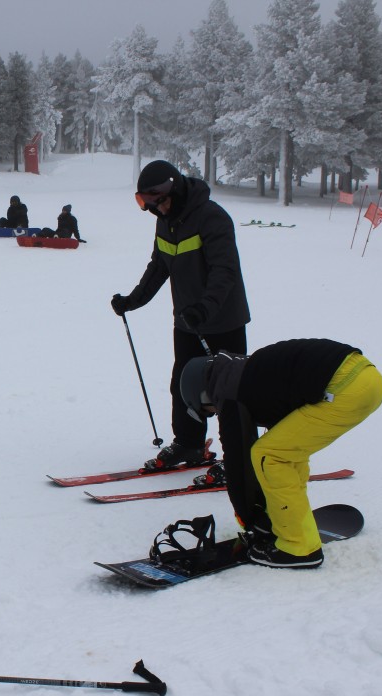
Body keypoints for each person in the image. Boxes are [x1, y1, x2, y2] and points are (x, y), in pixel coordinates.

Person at [178, 339, 382, 568]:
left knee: (270, 455)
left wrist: (251, 520)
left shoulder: (228, 388)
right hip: (366, 378)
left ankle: (299, 549)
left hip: (345, 387)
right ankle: (284, 521)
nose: (216, 411)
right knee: (286, 450)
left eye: (209, 410)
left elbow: (238, 463)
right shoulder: (246, 372)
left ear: (204, 394)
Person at [110, 160, 250, 471]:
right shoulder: (166, 220)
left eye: (155, 203)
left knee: (227, 389)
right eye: (146, 205)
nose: (154, 211)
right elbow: (159, 267)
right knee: (184, 385)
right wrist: (133, 301)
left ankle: (239, 456)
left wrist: (205, 308)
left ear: (171, 190)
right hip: (187, 321)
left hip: (223, 320)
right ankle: (189, 444)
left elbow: (224, 272)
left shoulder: (212, 217)